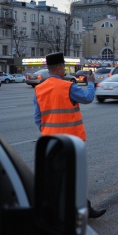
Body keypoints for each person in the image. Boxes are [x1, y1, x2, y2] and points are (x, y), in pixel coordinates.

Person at [33, 52, 106, 218]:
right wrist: (91, 83)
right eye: (64, 66)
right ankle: (78, 210)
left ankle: (64, 210)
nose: (65, 69)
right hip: (71, 141)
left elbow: (37, 117)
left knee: (58, 177)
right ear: (59, 68)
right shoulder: (67, 86)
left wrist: (47, 131)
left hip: (49, 142)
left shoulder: (39, 88)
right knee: (74, 177)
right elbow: (88, 98)